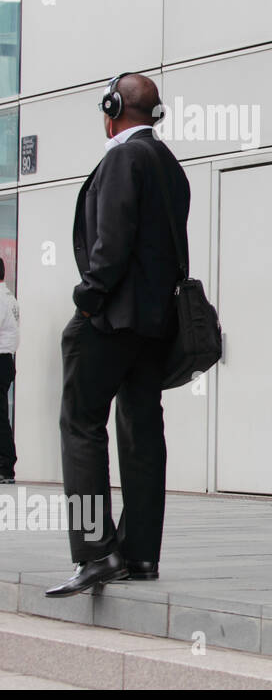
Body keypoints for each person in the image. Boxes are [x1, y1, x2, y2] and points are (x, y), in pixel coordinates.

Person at [46, 73, 190, 597]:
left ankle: (94, 552)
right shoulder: (171, 167)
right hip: (155, 327)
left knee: (81, 424)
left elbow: (111, 246)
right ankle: (140, 554)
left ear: (111, 109)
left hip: (111, 321)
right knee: (142, 434)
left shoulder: (122, 159)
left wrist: (86, 302)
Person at [0, 257, 17, 484]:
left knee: (0, 416)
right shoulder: (10, 298)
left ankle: (5, 466)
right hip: (6, 360)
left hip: (1, 358)